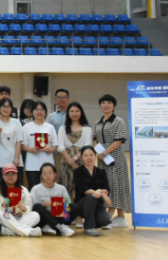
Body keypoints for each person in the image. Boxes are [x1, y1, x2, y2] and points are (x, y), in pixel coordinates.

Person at [94, 94, 130, 226]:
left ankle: (112, 216)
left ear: (114, 106)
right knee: (106, 184)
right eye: (103, 103)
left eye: (109, 103)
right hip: (102, 158)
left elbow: (118, 141)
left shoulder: (119, 121)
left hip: (116, 157)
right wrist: (99, 153)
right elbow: (95, 139)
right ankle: (119, 217)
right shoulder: (97, 122)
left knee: (117, 184)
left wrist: (105, 153)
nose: (106, 105)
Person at [73, 146, 114, 236]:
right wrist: (101, 194)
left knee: (105, 220)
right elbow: (83, 189)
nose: (89, 158)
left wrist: (100, 191)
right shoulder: (77, 172)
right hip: (81, 205)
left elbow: (107, 189)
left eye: (91, 155)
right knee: (91, 197)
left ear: (95, 157)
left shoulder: (101, 172)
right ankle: (89, 228)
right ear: (82, 158)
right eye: (86, 155)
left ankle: (90, 222)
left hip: (97, 205)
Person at [0, 163, 41, 237]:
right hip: (6, 217)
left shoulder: (23, 190)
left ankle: (10, 231)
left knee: (36, 215)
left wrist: (24, 209)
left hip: (20, 217)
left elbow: (29, 207)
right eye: (7, 174)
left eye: (13, 174)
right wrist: (2, 205)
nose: (10, 177)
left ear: (17, 176)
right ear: (3, 176)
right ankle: (28, 231)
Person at [29, 163, 77, 237]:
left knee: (73, 207)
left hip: (59, 216)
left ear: (55, 174)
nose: (48, 176)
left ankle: (53, 227)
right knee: (37, 206)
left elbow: (68, 206)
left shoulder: (62, 188)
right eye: (45, 174)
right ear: (41, 176)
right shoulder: (35, 189)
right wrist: (43, 205)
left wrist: (65, 204)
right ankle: (59, 227)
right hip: (44, 219)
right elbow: (33, 209)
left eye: (50, 173)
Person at [57, 101, 93, 193]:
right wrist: (70, 161)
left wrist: (75, 159)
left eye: (77, 111)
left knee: (81, 189)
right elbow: (60, 146)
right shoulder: (62, 128)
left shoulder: (87, 129)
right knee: (65, 188)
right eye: (72, 111)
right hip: (66, 162)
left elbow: (87, 146)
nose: (74, 114)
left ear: (81, 112)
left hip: (82, 162)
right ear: (68, 113)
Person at [22, 101, 58, 188]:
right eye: (36, 109)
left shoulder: (50, 127)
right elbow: (22, 145)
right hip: (32, 164)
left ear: (45, 112)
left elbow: (55, 145)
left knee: (49, 188)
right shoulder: (26, 127)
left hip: (48, 163)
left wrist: (51, 150)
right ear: (32, 112)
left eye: (42, 110)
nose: (39, 112)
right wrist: (30, 149)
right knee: (33, 188)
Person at [0, 98, 24, 180]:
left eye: (8, 107)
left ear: (11, 109)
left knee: (16, 186)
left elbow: (19, 141)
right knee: (1, 186)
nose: (6, 109)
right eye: (3, 106)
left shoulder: (16, 122)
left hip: (15, 161)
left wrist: (17, 158)